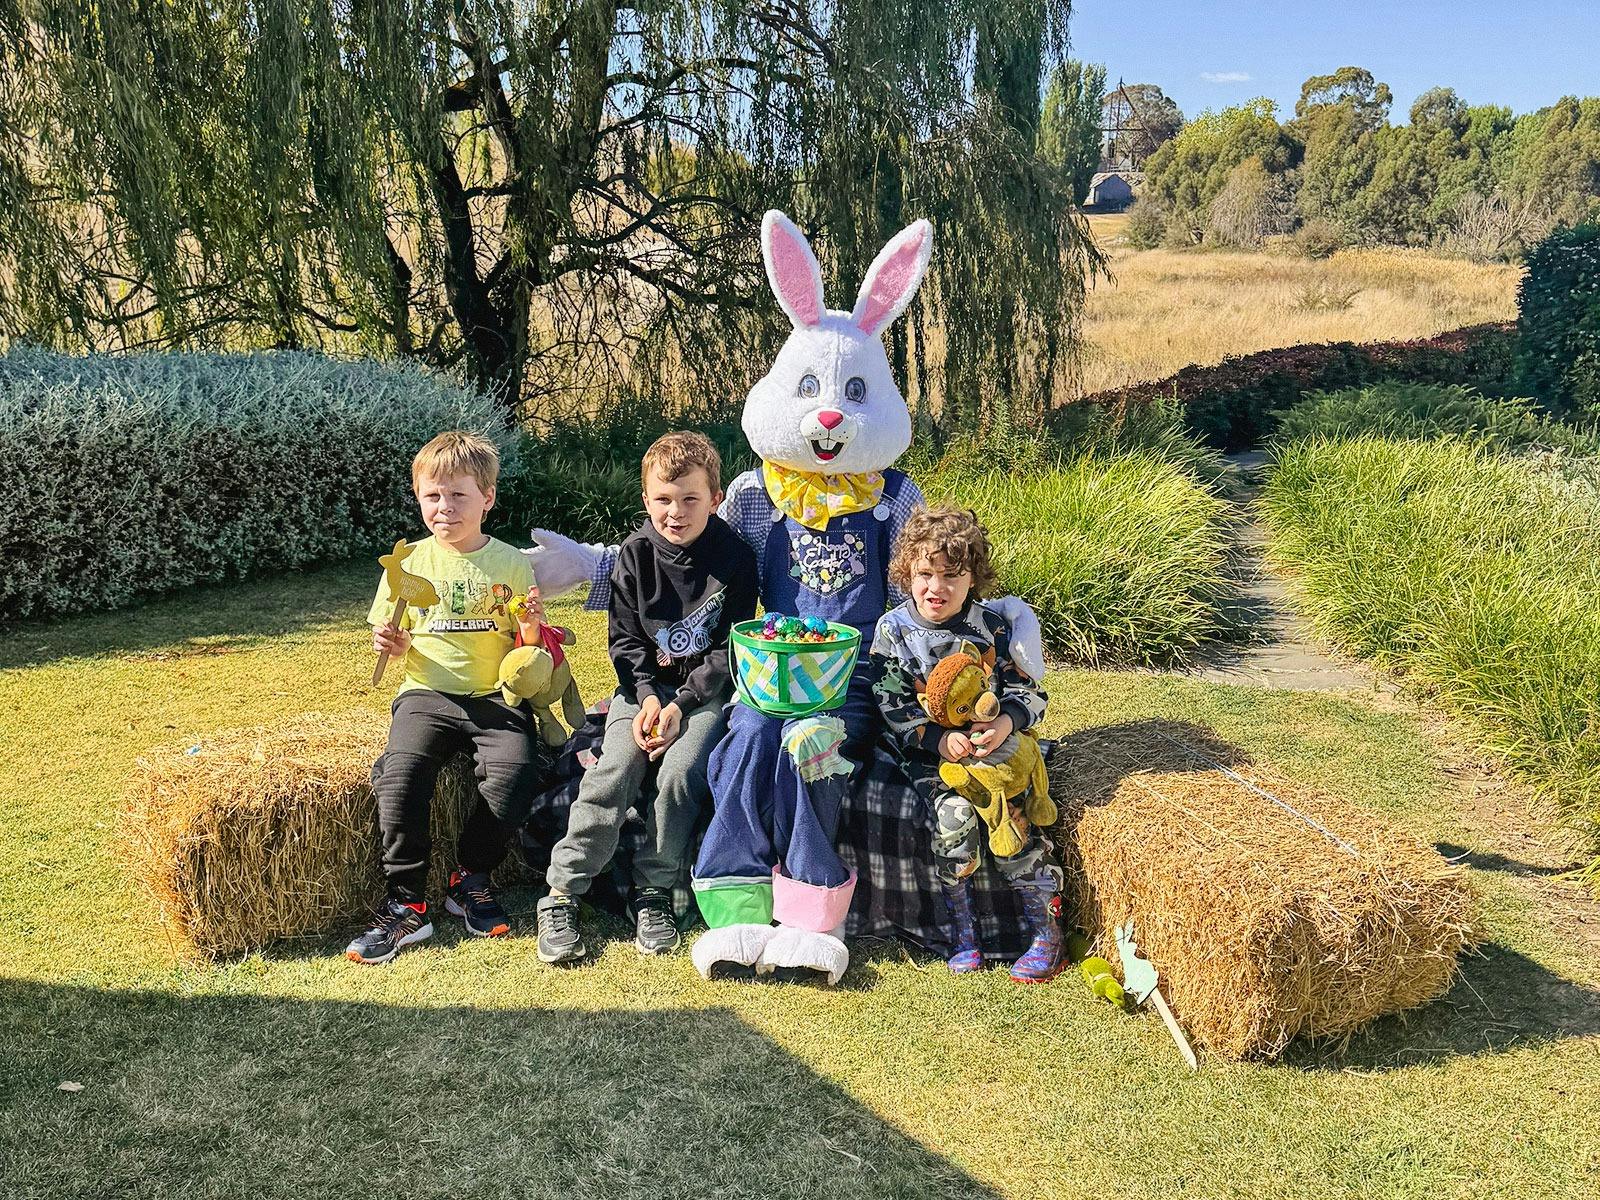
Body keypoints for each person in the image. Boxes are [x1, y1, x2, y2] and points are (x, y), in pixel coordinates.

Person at [536, 432, 757, 963]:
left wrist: (681, 703)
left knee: (681, 771)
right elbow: (625, 640)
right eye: (663, 499)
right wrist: (646, 697)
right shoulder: (633, 556)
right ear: (645, 500)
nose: (675, 512)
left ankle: (654, 891)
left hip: (702, 698)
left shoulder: (736, 558)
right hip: (639, 695)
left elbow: (729, 647)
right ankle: (562, 891)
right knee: (616, 766)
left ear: (716, 498)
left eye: (690, 499)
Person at [346, 430, 544, 964]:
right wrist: (389, 641)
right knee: (401, 777)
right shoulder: (405, 563)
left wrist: (531, 628)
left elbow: (525, 644)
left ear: (487, 498)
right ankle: (406, 905)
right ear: (418, 498)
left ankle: (469, 875)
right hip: (425, 693)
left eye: (458, 495)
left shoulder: (510, 564)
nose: (444, 507)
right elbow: (390, 631)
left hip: (493, 696)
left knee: (517, 774)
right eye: (433, 495)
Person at [870, 506, 1066, 982]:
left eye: (951, 576)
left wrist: (1007, 722)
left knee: (1014, 826)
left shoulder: (992, 627)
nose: (936, 588)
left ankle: (1047, 931)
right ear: (906, 573)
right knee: (954, 824)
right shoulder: (892, 631)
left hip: (997, 755)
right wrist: (938, 739)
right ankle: (963, 934)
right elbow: (889, 703)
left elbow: (1030, 692)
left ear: (974, 577)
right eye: (924, 574)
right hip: (932, 760)